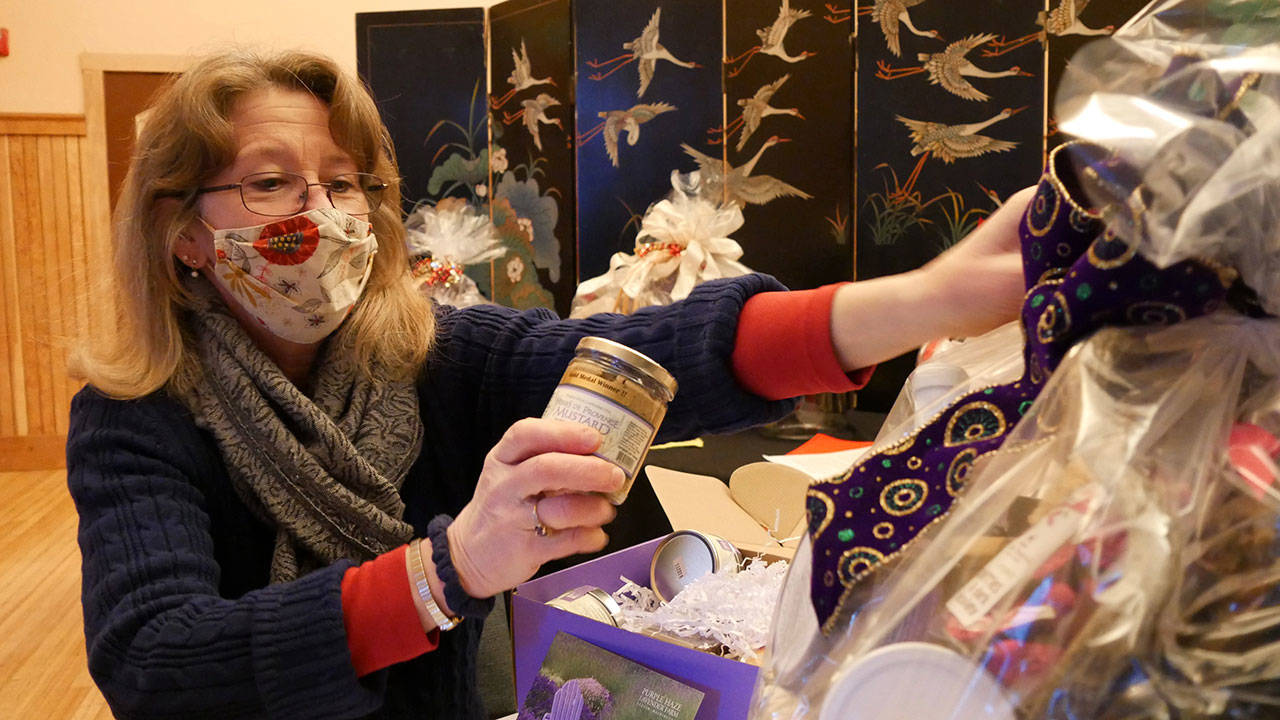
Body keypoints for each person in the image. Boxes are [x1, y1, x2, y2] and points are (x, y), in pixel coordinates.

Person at [66, 48, 1032, 720]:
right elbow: (157, 665)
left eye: (342, 181)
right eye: (269, 184)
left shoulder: (431, 354)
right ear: (183, 232)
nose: (318, 215)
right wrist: (446, 576)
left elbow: (641, 360)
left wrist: (918, 299)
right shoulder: (135, 414)